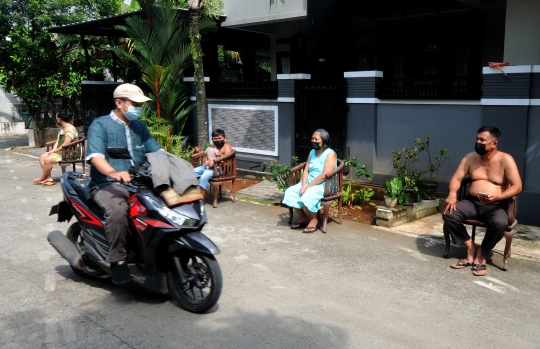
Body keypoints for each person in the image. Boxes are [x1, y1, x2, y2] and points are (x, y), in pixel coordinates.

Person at [86, 83, 162, 284]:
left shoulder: (140, 126)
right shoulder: (100, 125)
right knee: (118, 210)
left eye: (140, 104)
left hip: (139, 183)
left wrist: (177, 166)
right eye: (135, 103)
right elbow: (95, 157)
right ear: (119, 103)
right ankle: (118, 260)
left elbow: (157, 152)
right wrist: (114, 172)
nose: (139, 108)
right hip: (106, 184)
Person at [442, 126, 522, 276]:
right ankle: (470, 247)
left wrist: (499, 197)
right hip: (472, 202)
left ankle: (482, 253)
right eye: (477, 139)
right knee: (449, 213)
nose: (478, 142)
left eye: (482, 140)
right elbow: (457, 178)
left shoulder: (506, 159)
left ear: (494, 143)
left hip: (496, 205)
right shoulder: (470, 158)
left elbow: (517, 186)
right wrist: (453, 193)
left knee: (499, 223)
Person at [282, 129, 337, 233]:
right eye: (312, 138)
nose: (313, 141)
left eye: (316, 139)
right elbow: (306, 170)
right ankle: (303, 217)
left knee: (307, 194)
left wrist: (309, 186)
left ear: (324, 141)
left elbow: (325, 175)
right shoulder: (312, 152)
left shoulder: (330, 154)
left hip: (324, 184)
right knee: (290, 192)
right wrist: (303, 185)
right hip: (309, 183)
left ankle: (314, 219)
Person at [33, 110, 78, 186]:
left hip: (68, 152)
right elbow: (57, 141)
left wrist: (55, 151)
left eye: (57, 118)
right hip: (60, 151)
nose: (56, 119)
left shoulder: (70, 129)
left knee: (47, 160)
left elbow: (65, 144)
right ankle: (48, 177)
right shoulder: (62, 128)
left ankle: (42, 178)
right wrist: (52, 151)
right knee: (41, 157)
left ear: (59, 119)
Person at [193, 129, 234, 197]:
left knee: (204, 176)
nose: (218, 140)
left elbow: (228, 163)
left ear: (224, 138)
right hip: (207, 167)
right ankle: (190, 192)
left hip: (219, 169)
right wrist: (206, 161)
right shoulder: (212, 147)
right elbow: (207, 157)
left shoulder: (226, 147)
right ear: (212, 139)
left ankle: (201, 196)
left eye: (220, 138)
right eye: (215, 139)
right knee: (191, 173)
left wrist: (216, 161)